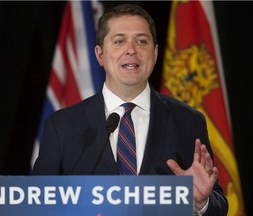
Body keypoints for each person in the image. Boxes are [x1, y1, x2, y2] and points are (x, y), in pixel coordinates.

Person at [33, 3, 228, 215]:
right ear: (100, 54)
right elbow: (37, 203)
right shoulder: (62, 126)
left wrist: (201, 202)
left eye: (141, 41)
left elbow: (218, 204)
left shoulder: (188, 121)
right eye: (119, 41)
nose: (131, 50)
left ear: (154, 54)